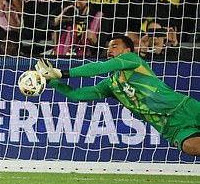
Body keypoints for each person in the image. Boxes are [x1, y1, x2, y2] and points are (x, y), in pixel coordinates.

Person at [35, 34, 200, 155]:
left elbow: (99, 68)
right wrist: (51, 81)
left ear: (127, 49)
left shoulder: (132, 59)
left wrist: (62, 73)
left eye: (114, 46)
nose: (109, 50)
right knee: (191, 147)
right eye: (108, 47)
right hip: (170, 127)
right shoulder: (110, 85)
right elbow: (77, 95)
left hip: (184, 107)